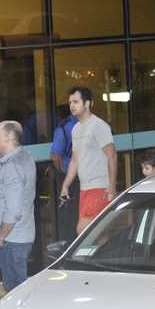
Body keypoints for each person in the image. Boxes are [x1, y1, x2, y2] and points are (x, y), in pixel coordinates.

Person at [0, 121, 36, 292]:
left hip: (12, 239)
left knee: (15, 292)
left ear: (8, 138)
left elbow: (13, 209)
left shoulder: (12, 166)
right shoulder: (22, 156)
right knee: (17, 289)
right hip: (18, 237)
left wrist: (0, 235)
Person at [61, 87, 117, 235]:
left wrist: (111, 186)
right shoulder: (75, 129)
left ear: (88, 103)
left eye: (76, 102)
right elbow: (74, 160)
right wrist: (65, 185)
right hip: (84, 188)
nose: (72, 105)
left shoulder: (99, 126)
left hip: (99, 187)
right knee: (97, 235)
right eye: (70, 102)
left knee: (84, 231)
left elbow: (112, 155)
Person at [50, 111, 79, 243]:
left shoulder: (64, 126)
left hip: (69, 177)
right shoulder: (94, 123)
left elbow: (56, 156)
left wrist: (62, 171)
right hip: (86, 176)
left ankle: (70, 245)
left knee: (69, 216)